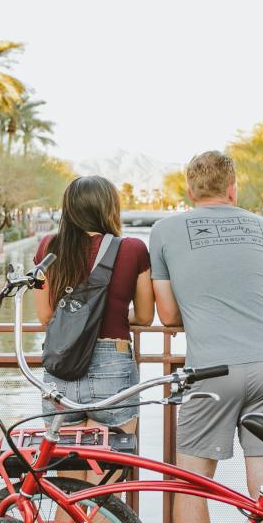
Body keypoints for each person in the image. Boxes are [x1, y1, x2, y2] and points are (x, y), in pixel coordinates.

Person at [149, 151, 263, 523]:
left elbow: (168, 314)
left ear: (189, 190)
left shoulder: (165, 230)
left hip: (211, 371)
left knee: (192, 485)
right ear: (233, 188)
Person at [33, 175, 154, 439]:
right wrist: (110, 315)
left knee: (67, 467)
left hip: (62, 365)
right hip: (113, 364)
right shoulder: (132, 249)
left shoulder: (49, 247)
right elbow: (145, 317)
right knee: (111, 465)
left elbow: (45, 316)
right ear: (110, 208)